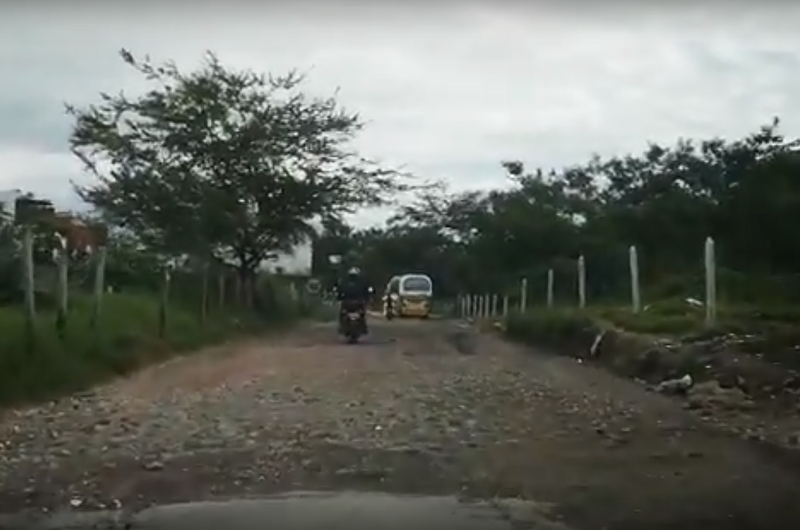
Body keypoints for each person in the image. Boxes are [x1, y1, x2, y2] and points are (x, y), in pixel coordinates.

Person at [335, 266, 372, 334]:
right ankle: (361, 327)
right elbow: (367, 292)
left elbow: (339, 292)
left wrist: (339, 298)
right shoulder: (361, 282)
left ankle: (343, 327)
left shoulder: (345, 282)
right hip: (355, 302)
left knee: (360, 313)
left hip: (351, 302)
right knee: (344, 313)